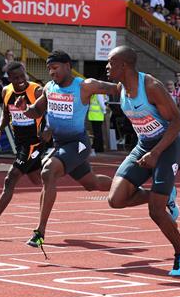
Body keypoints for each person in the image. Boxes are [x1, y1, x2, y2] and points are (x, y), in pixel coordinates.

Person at [99, 46, 180, 276]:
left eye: (111, 62)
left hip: (167, 146)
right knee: (116, 199)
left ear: (124, 65)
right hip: (144, 145)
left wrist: (157, 153)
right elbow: (91, 84)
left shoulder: (151, 87)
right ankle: (166, 195)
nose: (107, 66)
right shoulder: (120, 87)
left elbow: (178, 122)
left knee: (156, 211)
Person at [14, 50, 112, 252]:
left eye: (55, 68)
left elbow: (117, 88)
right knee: (92, 184)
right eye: (49, 69)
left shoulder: (84, 86)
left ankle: (39, 232)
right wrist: (24, 108)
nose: (51, 72)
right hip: (61, 145)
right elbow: (36, 111)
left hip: (79, 143)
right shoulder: (49, 88)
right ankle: (139, 189)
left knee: (48, 172)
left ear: (68, 66)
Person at [0, 62, 46, 235]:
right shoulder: (6, 91)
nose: (20, 80)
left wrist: (48, 130)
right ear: (9, 79)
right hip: (20, 143)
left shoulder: (36, 91)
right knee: (37, 179)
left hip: (34, 143)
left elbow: (47, 112)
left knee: (10, 179)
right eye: (16, 78)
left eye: (23, 76)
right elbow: (6, 114)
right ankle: (55, 176)